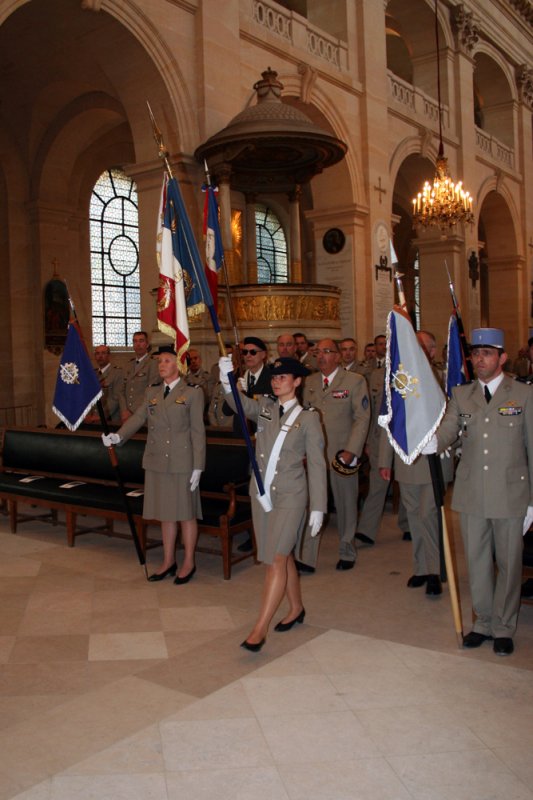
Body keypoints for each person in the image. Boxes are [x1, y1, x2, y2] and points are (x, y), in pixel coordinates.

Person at [427, 327, 533, 655]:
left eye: (486, 353)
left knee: (509, 562)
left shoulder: (524, 394)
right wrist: (431, 441)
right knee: (477, 562)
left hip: (511, 494)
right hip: (472, 493)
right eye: (475, 354)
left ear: (502, 357)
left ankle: (504, 626)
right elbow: (449, 430)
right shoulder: (461, 395)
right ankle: (483, 623)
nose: (479, 359)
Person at [219, 355, 327, 652]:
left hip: (292, 495)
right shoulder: (266, 408)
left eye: (283, 378)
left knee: (275, 560)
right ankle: (296, 608)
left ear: (297, 381)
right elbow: (238, 403)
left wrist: (318, 506)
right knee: (280, 555)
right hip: (263, 494)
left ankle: (259, 629)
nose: (277, 382)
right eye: (275, 378)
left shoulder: (308, 418)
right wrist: (226, 378)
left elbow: (317, 464)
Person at [102, 345, 206, 584]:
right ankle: (168, 560)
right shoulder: (152, 391)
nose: (161, 365)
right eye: (160, 361)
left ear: (179, 365)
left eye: (167, 361)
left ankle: (189, 561)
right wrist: (118, 436)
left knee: (186, 513)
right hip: (157, 459)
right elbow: (139, 417)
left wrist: (198, 466)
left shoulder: (192, 392)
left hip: (182, 462)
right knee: (165, 514)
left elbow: (198, 432)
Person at [378, 331, 452, 597]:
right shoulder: (398, 380)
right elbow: (390, 422)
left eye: (422, 346)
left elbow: (451, 420)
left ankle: (434, 570)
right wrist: (386, 460)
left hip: (432, 460)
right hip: (406, 460)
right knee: (414, 518)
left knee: (429, 516)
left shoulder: (442, 378)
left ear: (432, 351)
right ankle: (421, 568)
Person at [302, 339, 370, 570]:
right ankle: (306, 557)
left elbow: (362, 417)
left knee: (346, 505)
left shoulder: (355, 381)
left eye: (327, 352)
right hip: (314, 456)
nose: (321, 356)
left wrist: (352, 450)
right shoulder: (309, 382)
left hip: (342, 455)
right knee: (313, 505)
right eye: (317, 352)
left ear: (338, 356)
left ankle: (347, 551)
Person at [119, 331, 160, 422]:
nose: (138, 344)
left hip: (143, 413)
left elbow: (151, 391)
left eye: (141, 341)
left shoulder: (153, 363)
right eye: (135, 341)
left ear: (147, 344)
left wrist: (131, 411)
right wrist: (124, 410)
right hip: (125, 415)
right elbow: (121, 391)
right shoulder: (128, 365)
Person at [85, 345, 123, 424]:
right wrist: (87, 415)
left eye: (103, 353)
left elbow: (116, 398)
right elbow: (87, 397)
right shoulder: (92, 374)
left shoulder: (117, 373)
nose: (100, 356)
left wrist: (101, 415)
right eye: (97, 353)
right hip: (91, 419)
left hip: (109, 419)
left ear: (109, 355)